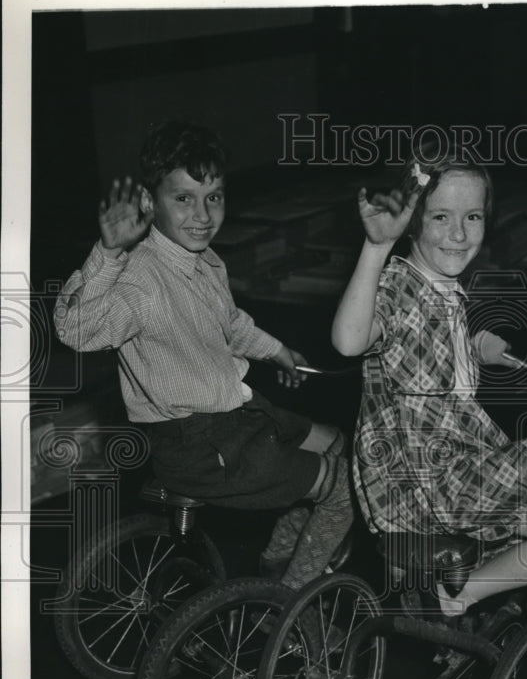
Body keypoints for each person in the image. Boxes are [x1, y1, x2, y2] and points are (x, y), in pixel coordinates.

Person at [331, 147, 527, 650]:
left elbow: (421, 354)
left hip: (457, 469)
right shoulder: (398, 282)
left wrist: (473, 351)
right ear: (410, 223)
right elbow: (349, 340)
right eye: (441, 217)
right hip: (423, 477)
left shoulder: (446, 291)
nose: (459, 233)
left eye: (472, 217)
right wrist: (373, 248)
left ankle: (456, 598)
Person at [54, 119, 352, 591]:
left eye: (213, 197)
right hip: (201, 445)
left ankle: (280, 559)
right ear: (150, 203)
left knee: (337, 442)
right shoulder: (140, 278)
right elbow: (77, 330)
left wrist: (277, 350)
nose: (203, 214)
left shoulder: (208, 262)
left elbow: (230, 324)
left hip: (238, 418)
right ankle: (290, 605)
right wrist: (108, 253)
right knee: (344, 487)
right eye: (183, 198)